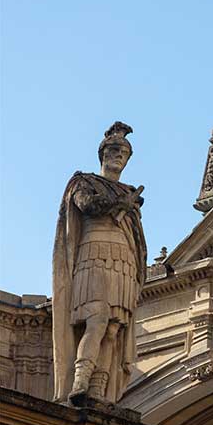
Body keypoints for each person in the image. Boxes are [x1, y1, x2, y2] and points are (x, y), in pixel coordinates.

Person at [52, 122, 147, 403]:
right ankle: (79, 382)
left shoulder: (128, 193)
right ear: (103, 153)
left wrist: (127, 205)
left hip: (124, 260)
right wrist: (120, 204)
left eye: (125, 152)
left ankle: (98, 391)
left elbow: (138, 237)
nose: (119, 155)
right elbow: (86, 205)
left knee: (114, 329)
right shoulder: (85, 182)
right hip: (93, 253)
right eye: (115, 150)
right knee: (97, 319)